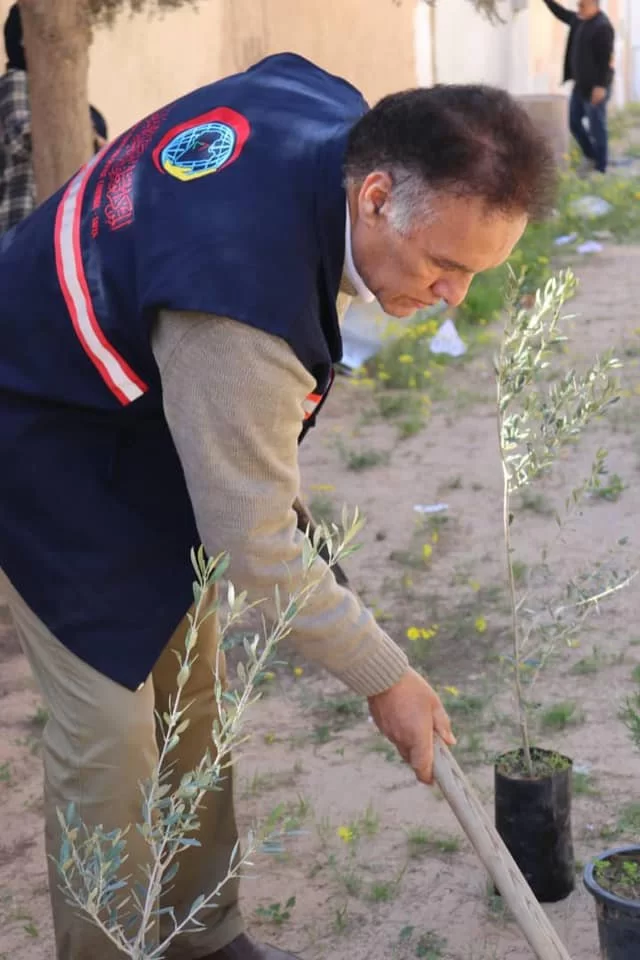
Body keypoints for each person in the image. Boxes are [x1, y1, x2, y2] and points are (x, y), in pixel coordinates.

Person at [0, 53, 556, 960]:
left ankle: (204, 938)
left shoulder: (333, 118)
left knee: (192, 689)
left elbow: (247, 482)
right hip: (37, 420)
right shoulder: (238, 301)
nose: (452, 297)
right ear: (376, 197)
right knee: (111, 736)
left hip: (142, 390)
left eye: (474, 274)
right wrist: (385, 675)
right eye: (444, 265)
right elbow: (255, 547)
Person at [0, 3, 108, 234]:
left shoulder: (72, 102)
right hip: (24, 222)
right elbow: (23, 139)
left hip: (63, 223)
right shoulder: (17, 82)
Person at [541, 0, 615, 174]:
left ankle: (601, 167)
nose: (578, 8)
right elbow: (561, 13)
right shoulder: (579, 20)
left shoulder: (603, 27)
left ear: (593, 4)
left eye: (582, 5)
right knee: (573, 122)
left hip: (596, 87)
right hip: (580, 86)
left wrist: (601, 87)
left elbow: (607, 61)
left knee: (597, 127)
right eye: (578, 5)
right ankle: (591, 156)